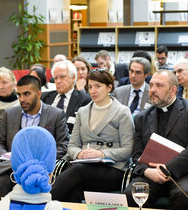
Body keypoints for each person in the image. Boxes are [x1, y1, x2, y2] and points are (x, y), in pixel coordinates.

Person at [126, 70, 188, 210]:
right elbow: (137, 155)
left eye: (159, 86)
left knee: (183, 194)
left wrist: (168, 168)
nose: (152, 90)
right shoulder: (142, 117)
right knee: (131, 193)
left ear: (173, 90)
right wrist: (147, 171)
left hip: (186, 172)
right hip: (152, 173)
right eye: (151, 85)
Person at [51, 69, 134, 202]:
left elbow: (127, 150)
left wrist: (102, 155)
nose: (93, 91)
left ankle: (42, 203)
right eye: (90, 87)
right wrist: (79, 154)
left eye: (98, 86)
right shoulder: (82, 112)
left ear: (109, 87)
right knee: (73, 190)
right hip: (84, 165)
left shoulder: (122, 112)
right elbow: (72, 146)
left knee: (77, 171)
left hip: (113, 169)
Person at [0, 75, 68, 198]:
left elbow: (63, 146)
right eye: (19, 95)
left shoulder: (56, 115)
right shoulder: (10, 114)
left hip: (41, 169)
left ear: (38, 94)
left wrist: (41, 162)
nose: (22, 99)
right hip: (12, 168)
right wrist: (5, 156)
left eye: (26, 94)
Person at [41, 60, 92, 130]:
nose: (58, 81)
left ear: (73, 77)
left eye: (62, 77)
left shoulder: (84, 100)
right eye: (56, 78)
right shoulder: (44, 97)